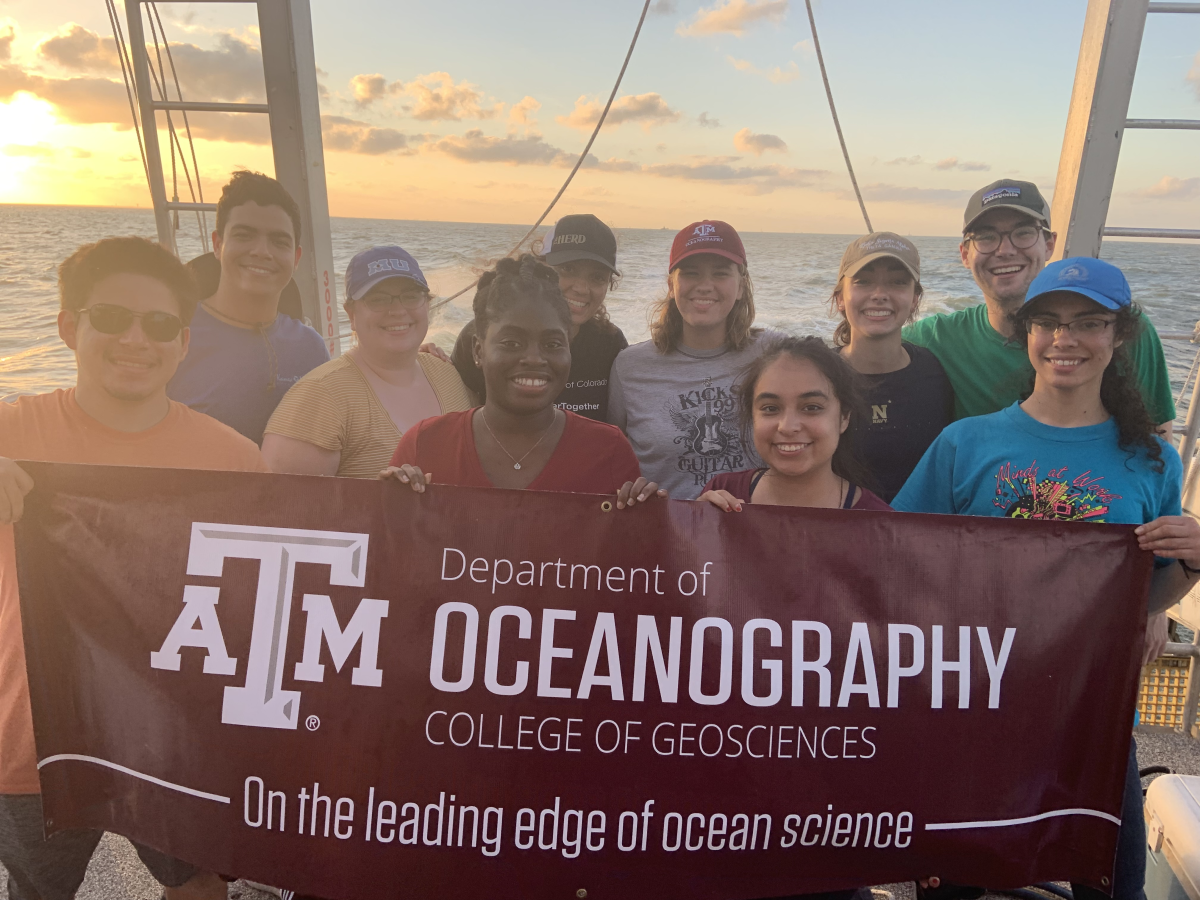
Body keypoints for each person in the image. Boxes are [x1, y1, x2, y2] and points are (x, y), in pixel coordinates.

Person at [893, 257, 1200, 900]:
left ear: (1119, 337)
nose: (1065, 339)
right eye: (1048, 322)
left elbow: (1144, 596)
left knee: (1115, 887)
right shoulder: (963, 443)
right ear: (1027, 334)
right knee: (953, 888)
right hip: (976, 709)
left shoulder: (1151, 460)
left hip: (1093, 711)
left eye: (1088, 323)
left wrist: (1193, 562)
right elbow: (894, 558)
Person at [0, 237, 267, 900]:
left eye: (159, 325)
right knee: (39, 890)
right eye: (112, 318)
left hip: (176, 733)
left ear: (183, 342)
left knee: (202, 885)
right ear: (70, 326)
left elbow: (276, 595)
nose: (135, 340)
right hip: (37, 728)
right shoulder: (8, 430)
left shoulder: (234, 459)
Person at [383, 254, 658, 506]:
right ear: (479, 351)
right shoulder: (425, 445)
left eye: (552, 344)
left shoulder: (608, 451)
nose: (534, 359)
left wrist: (645, 516)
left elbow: (629, 555)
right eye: (512, 343)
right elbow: (390, 552)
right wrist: (386, 506)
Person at [902, 178, 1175, 432]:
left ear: (1049, 244)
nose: (1005, 250)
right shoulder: (935, 339)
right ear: (964, 254)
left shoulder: (1124, 332)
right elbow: (866, 349)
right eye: (986, 237)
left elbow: (1155, 443)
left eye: (1022, 233)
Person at [262, 245, 474, 477]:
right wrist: (379, 500)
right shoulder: (318, 398)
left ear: (428, 305)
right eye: (378, 299)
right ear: (351, 315)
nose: (397, 310)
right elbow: (283, 508)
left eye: (411, 296)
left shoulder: (449, 374)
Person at [608, 220, 775, 500]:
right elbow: (613, 460)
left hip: (752, 532)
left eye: (720, 274)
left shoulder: (773, 353)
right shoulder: (630, 367)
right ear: (671, 285)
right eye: (691, 273)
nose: (705, 286)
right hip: (667, 535)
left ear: (742, 286)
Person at [167, 170, 330, 444]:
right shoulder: (169, 334)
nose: (262, 251)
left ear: (296, 257)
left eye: (279, 242)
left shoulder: (311, 349)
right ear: (218, 244)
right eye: (245, 235)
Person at [448, 214, 628, 421]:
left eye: (597, 277)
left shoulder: (610, 343)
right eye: (567, 269)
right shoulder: (487, 336)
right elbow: (459, 417)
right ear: (539, 268)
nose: (581, 288)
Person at [699, 335, 890, 512]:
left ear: (844, 418)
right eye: (770, 408)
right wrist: (688, 525)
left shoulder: (878, 523)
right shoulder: (721, 496)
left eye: (811, 407)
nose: (788, 427)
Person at [830, 233, 954, 502]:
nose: (879, 295)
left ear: (914, 300)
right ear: (840, 297)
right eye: (863, 282)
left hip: (918, 532)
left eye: (898, 282)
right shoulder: (820, 375)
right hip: (836, 532)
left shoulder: (934, 371)